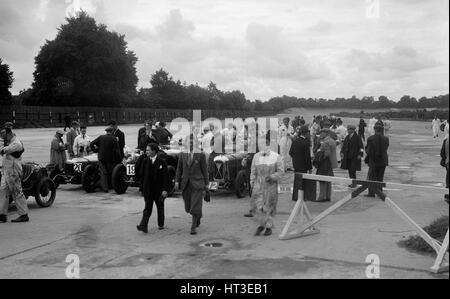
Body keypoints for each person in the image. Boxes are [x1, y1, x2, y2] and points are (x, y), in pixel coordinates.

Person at [250, 131, 284, 236]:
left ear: (268, 143)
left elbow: (281, 171)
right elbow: (253, 171)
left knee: (269, 206)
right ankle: (261, 225)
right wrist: (252, 183)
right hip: (258, 186)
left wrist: (272, 177)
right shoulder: (256, 157)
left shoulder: (276, 157)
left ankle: (268, 227)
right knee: (258, 206)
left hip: (270, 186)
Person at [175, 134, 209, 235]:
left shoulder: (201, 155)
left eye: (192, 141)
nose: (190, 143)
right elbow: (179, 169)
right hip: (186, 184)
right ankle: (198, 214)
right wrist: (177, 181)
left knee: (194, 206)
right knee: (188, 208)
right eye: (188, 141)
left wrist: (207, 184)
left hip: (198, 183)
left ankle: (193, 227)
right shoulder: (182, 154)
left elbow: (205, 170)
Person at [136, 143, 170, 233]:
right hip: (148, 190)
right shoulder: (145, 161)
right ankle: (143, 226)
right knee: (147, 208)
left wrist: (165, 189)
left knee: (160, 208)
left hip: (159, 191)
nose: (146, 151)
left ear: (154, 151)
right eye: (146, 150)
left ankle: (161, 224)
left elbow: (166, 177)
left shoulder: (162, 162)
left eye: (148, 150)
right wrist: (142, 189)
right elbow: (142, 176)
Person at [0, 124, 29, 223]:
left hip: (13, 172)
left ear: (9, 134)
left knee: (17, 192)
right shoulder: (9, 142)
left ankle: (23, 214)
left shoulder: (16, 143)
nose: (3, 137)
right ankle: (2, 214)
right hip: (6, 171)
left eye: (4, 135)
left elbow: (4, 150)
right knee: (3, 191)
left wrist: (3, 146)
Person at [91, 127, 122, 193]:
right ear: (112, 132)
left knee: (103, 173)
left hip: (101, 158)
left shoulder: (101, 137)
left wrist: (96, 150)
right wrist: (119, 160)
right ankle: (111, 186)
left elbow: (91, 143)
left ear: (106, 132)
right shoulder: (114, 139)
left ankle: (105, 188)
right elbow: (117, 151)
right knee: (111, 173)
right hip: (110, 159)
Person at [290, 125, 315, 202]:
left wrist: (296, 159)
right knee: (303, 182)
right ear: (305, 133)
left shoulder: (295, 141)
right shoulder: (305, 142)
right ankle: (302, 197)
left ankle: (295, 197)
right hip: (303, 165)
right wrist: (310, 168)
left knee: (296, 181)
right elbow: (307, 157)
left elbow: (290, 152)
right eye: (308, 133)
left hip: (296, 164)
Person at [364, 124, 389, 198]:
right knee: (380, 177)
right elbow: (385, 148)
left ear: (375, 130)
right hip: (383, 161)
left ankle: (371, 193)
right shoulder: (386, 139)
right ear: (382, 130)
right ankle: (379, 192)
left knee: (371, 177)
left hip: (373, 161)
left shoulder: (371, 138)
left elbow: (368, 150)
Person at [315, 128, 338, 202]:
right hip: (330, 163)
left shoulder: (326, 142)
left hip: (325, 164)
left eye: (322, 132)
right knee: (328, 181)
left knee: (322, 180)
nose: (321, 134)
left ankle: (322, 197)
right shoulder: (332, 140)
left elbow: (327, 154)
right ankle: (328, 196)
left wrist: (319, 156)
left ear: (326, 133)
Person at [440, 137, 449, 203]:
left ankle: (447, 196)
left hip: (448, 162)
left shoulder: (446, 140)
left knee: (448, 179)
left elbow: (442, 153)